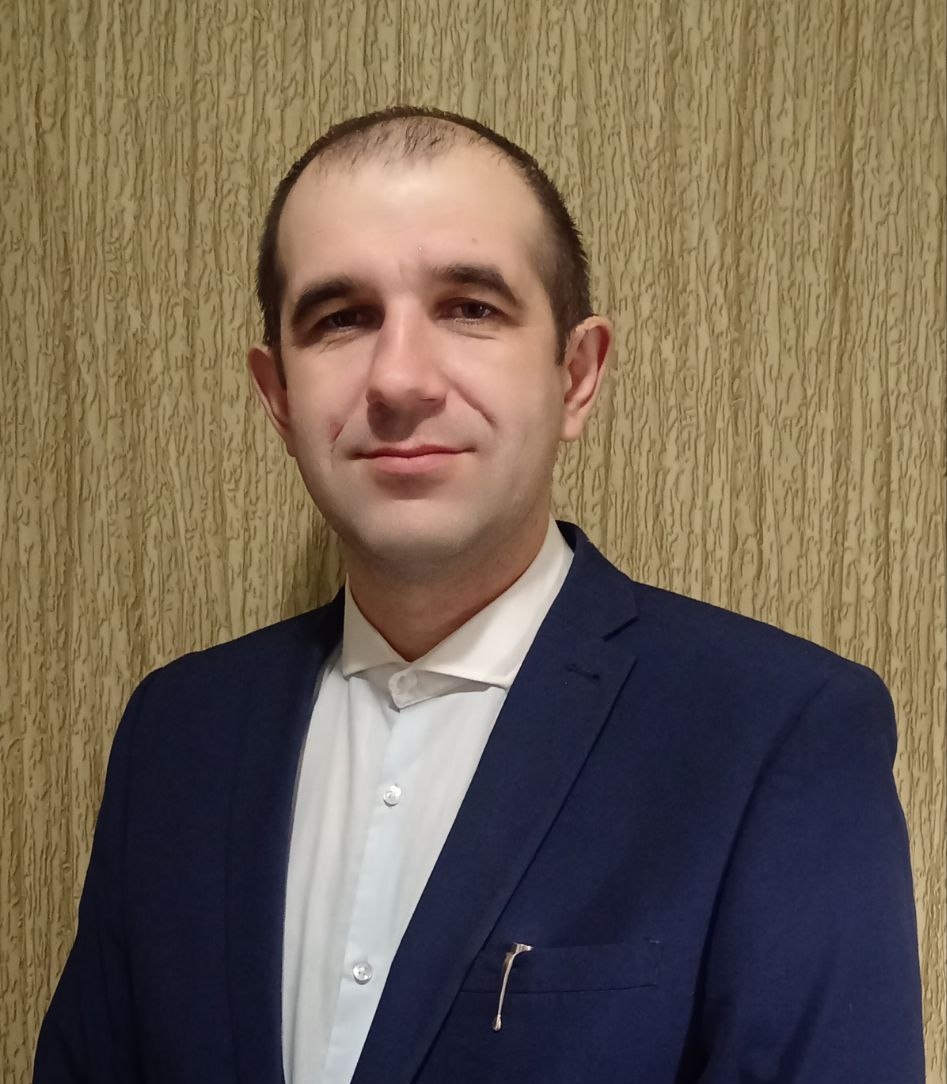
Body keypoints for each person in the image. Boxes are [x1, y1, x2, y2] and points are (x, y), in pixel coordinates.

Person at [34, 106, 924, 1084]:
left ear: (576, 377)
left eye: (469, 307)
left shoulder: (777, 735)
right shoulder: (176, 734)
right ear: (278, 397)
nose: (399, 380)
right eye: (340, 318)